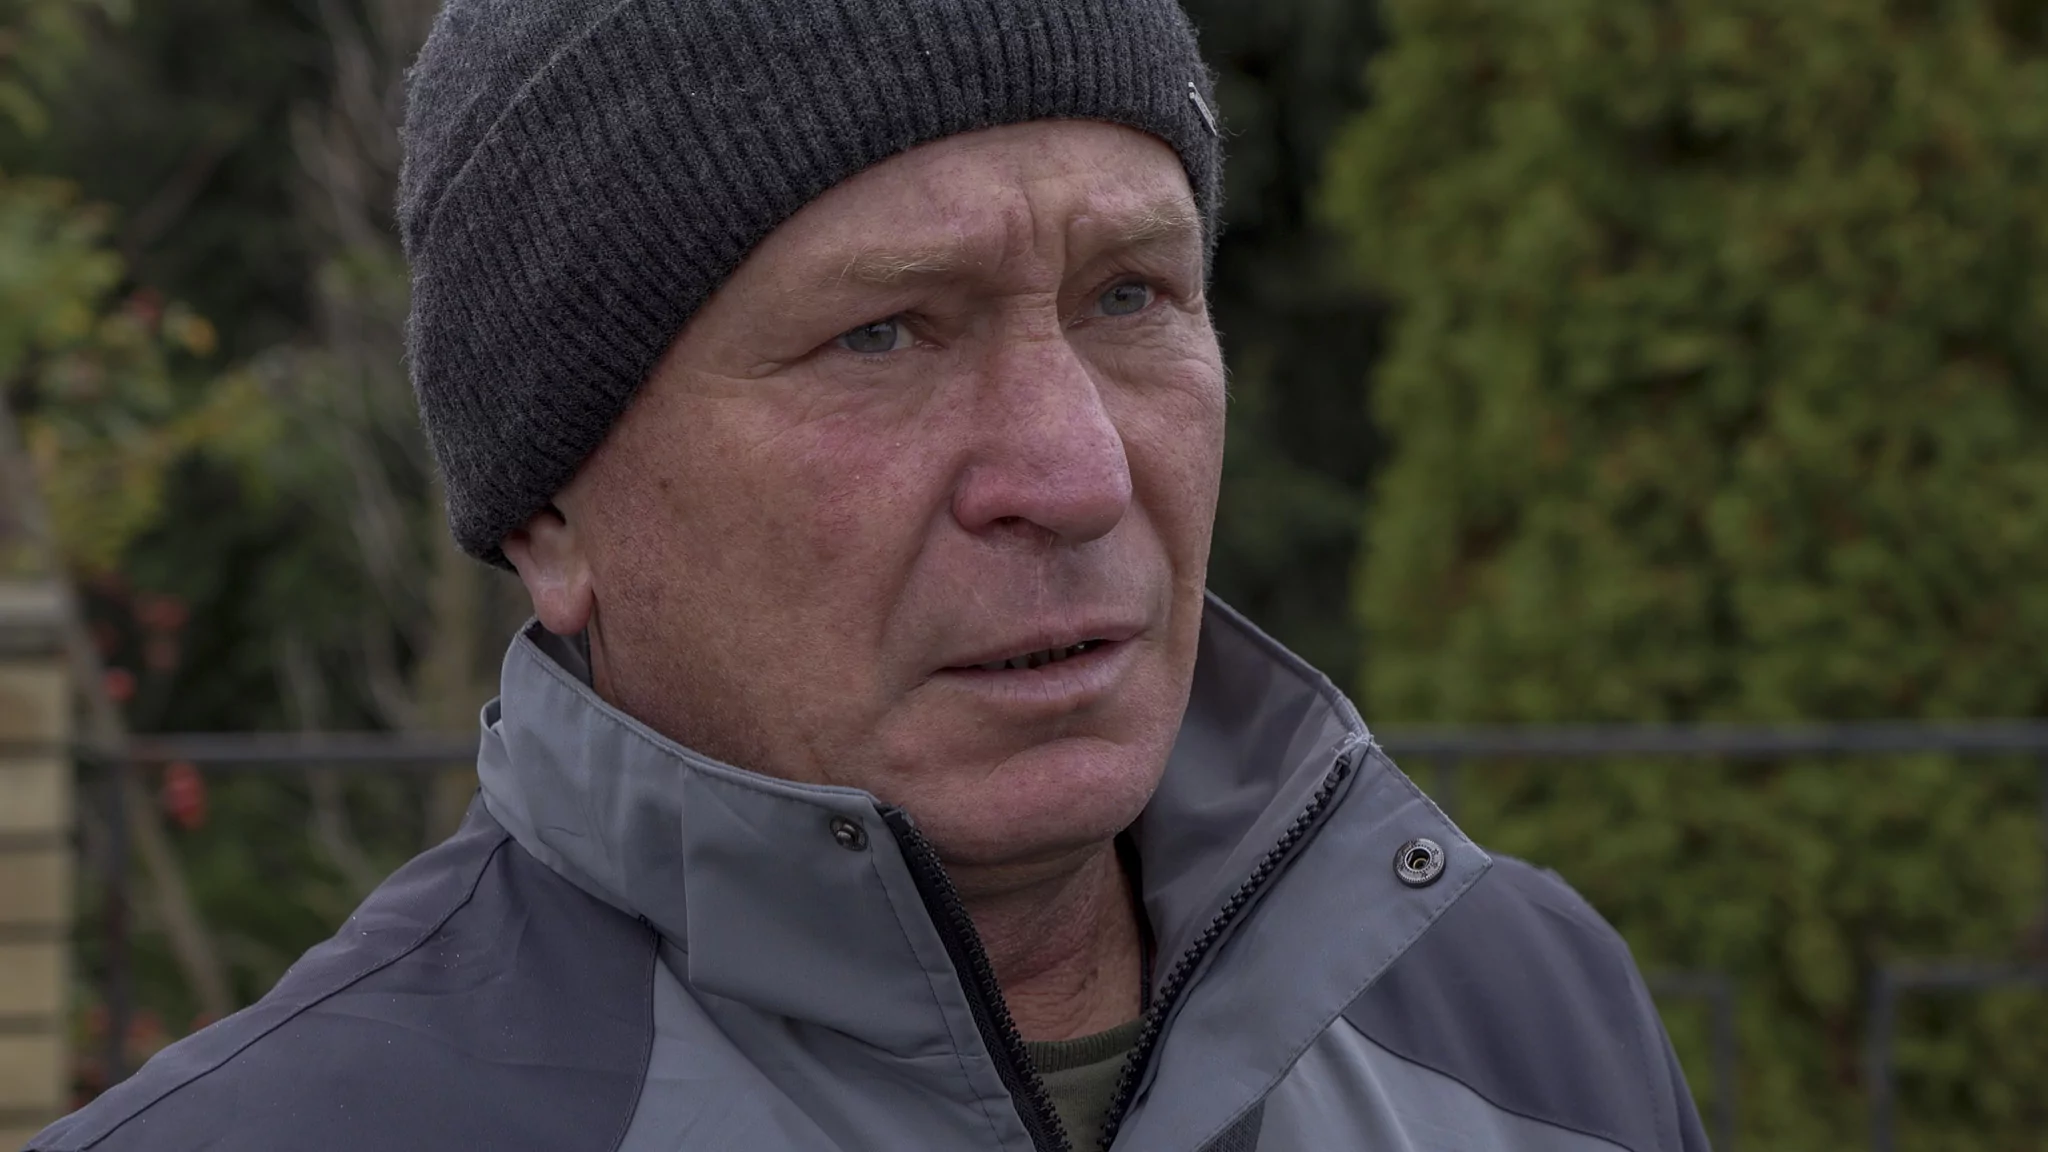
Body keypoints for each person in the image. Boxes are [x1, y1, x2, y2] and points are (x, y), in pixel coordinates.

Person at [29, 1, 1710, 1149]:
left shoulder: (1520, 1018)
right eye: (884, 332)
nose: (1072, 470)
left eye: (1130, 295)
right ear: (552, 512)